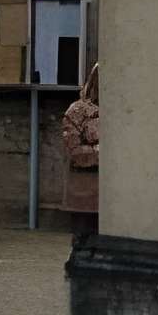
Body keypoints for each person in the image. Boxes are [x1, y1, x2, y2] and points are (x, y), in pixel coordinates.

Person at [61, 62, 100, 225]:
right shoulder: (77, 111)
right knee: (84, 236)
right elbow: (74, 150)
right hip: (85, 187)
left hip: (116, 192)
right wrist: (101, 152)